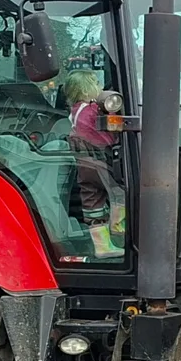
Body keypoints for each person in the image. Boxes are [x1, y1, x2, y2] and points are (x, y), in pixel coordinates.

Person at [64, 68, 124, 259]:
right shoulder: (92, 110)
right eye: (97, 84)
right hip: (101, 162)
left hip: (83, 165)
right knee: (119, 193)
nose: (99, 87)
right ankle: (119, 229)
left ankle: (102, 246)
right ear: (87, 89)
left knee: (92, 203)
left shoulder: (73, 112)